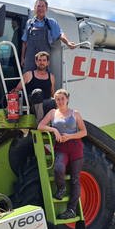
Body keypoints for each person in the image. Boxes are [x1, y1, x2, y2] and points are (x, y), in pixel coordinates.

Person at [38, 89, 87, 219]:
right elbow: (40, 126)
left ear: (67, 99)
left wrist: (70, 136)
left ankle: (71, 210)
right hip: (61, 148)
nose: (60, 101)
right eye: (57, 99)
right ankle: (61, 189)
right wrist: (54, 130)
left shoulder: (75, 113)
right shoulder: (53, 113)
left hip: (76, 148)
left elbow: (84, 132)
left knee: (75, 179)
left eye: (62, 99)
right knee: (59, 168)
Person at [21, 0, 76, 72]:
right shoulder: (29, 23)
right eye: (38, 6)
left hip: (43, 62)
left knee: (42, 80)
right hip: (30, 60)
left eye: (42, 6)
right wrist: (22, 58)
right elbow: (24, 42)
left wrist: (68, 42)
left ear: (46, 9)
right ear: (35, 8)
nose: (40, 8)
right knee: (27, 80)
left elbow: (60, 34)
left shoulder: (51, 22)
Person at [11, 51, 56, 121]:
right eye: (39, 60)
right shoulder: (28, 74)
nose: (42, 62)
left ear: (48, 63)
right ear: (36, 62)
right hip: (32, 105)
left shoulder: (51, 77)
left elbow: (52, 93)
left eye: (44, 60)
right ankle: (40, 123)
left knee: (55, 100)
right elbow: (17, 90)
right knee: (38, 92)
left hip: (45, 104)